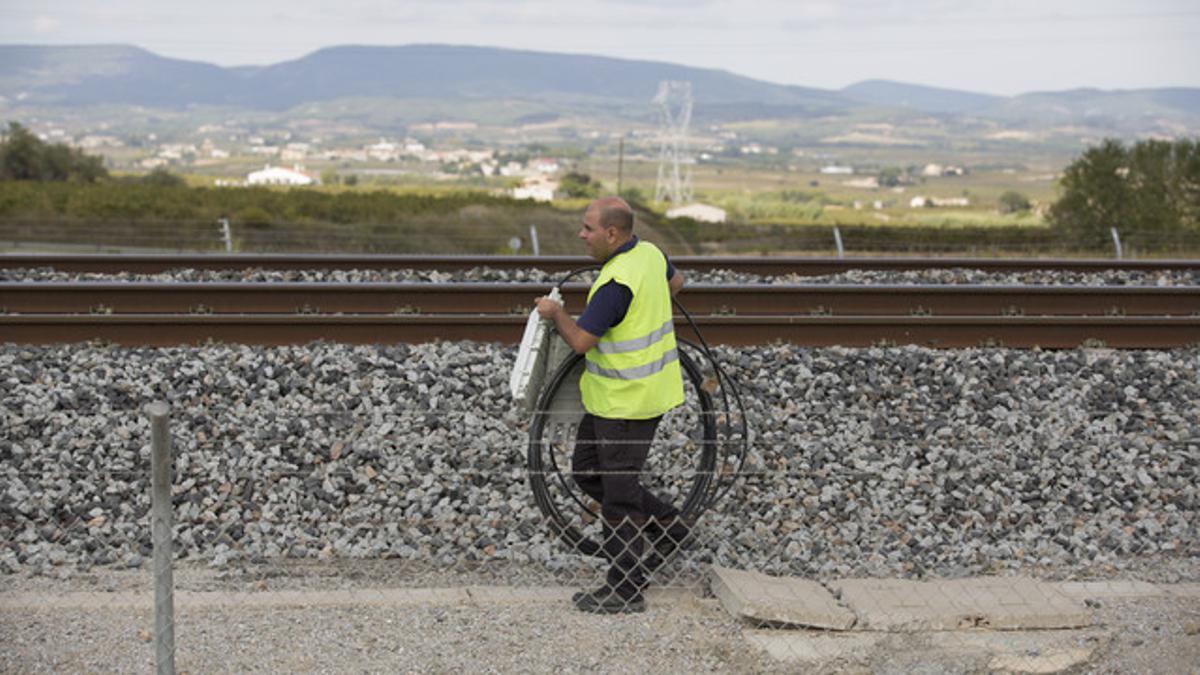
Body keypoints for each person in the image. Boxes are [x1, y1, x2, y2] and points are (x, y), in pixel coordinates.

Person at [535, 196, 692, 614]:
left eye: (588, 229)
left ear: (612, 234)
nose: (581, 235)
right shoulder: (651, 254)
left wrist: (555, 314)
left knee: (619, 497)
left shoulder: (615, 283)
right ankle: (669, 526)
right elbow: (677, 285)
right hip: (618, 396)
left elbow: (582, 341)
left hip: (628, 402)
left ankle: (625, 589)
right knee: (587, 472)